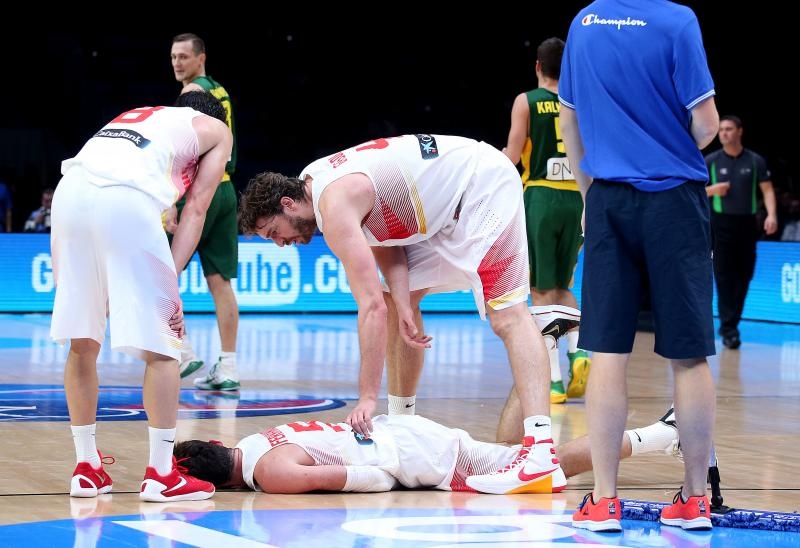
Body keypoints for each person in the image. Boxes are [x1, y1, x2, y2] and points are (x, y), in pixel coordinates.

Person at [238, 134, 564, 495]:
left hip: (481, 186)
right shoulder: (312, 180)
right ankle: (400, 421)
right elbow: (384, 239)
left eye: (274, 232)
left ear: (287, 204)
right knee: (396, 301)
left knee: (507, 315)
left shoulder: (333, 207)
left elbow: (370, 308)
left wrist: (366, 398)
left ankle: (540, 452)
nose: (280, 243)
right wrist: (406, 302)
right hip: (447, 212)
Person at [559, 1, 719, 533]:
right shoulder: (678, 21)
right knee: (689, 355)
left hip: (608, 199)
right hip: (676, 201)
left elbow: (570, 121)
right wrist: (664, 148)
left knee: (607, 353)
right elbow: (707, 124)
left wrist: (590, 193)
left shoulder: (585, 23)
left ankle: (605, 501)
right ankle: (695, 500)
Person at [50, 90, 232, 502]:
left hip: (69, 193)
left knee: (82, 341)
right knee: (165, 346)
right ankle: (162, 475)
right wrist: (172, 276)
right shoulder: (217, 129)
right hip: (125, 200)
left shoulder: (143, 114)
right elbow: (197, 208)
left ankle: (86, 468)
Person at [173, 410, 679, 494]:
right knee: (517, 455)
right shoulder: (256, 439)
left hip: (416, 455)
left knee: (541, 465)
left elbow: (369, 480)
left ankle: (662, 433)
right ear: (218, 444)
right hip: (401, 433)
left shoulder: (270, 474)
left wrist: (399, 481)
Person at [502, 36, 590, 406]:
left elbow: (512, 153)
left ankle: (553, 381)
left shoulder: (527, 101)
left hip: (540, 195)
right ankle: (580, 351)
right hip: (577, 196)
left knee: (539, 292)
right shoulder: (580, 102)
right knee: (563, 286)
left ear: (538, 66)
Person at [169, 32, 241, 391]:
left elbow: (183, 148)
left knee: (163, 269)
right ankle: (229, 367)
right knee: (220, 283)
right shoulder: (220, 90)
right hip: (226, 189)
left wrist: (172, 200)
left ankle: (182, 350)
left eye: (184, 56)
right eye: (173, 57)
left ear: (201, 58)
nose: (177, 63)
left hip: (201, 190)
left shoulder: (192, 93)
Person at [704, 115, 778, 349]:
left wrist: (772, 215)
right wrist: (713, 190)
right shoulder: (711, 160)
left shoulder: (755, 161)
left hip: (747, 225)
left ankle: (731, 323)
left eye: (728, 129)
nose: (724, 133)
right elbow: (694, 191)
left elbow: (767, 190)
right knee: (724, 277)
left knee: (744, 276)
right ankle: (729, 328)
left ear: (739, 131)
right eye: (721, 130)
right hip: (720, 225)